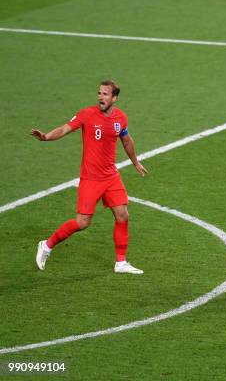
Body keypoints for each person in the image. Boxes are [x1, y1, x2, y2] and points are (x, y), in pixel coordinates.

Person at [32, 80, 148, 274]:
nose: (100, 97)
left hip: (111, 176)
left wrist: (135, 162)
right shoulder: (87, 114)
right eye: (99, 93)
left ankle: (120, 263)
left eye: (105, 94)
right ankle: (47, 245)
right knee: (82, 223)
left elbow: (127, 141)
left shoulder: (121, 118)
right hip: (91, 178)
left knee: (123, 215)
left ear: (114, 98)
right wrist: (45, 137)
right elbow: (65, 129)